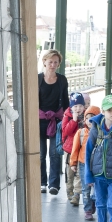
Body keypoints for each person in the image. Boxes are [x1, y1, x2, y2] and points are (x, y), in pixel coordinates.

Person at [38, 49, 69, 195]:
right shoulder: (37, 79)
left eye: (56, 62)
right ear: (44, 62)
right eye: (50, 61)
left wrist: (69, 118)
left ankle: (54, 184)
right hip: (39, 120)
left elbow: (66, 101)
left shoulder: (62, 80)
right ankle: (42, 182)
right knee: (40, 153)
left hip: (56, 120)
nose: (53, 64)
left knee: (55, 153)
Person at [73, 104, 101, 220]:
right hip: (83, 164)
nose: (90, 120)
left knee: (97, 186)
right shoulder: (81, 133)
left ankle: (94, 201)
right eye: (87, 117)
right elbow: (75, 149)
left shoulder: (101, 132)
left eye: (93, 117)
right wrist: (73, 163)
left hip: (97, 164)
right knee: (86, 188)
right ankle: (88, 210)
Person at [62, 93, 87, 205]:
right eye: (75, 106)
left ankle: (76, 195)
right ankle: (70, 192)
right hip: (69, 150)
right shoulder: (67, 116)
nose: (78, 109)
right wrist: (74, 120)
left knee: (78, 173)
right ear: (71, 107)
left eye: (81, 106)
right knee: (70, 173)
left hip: (81, 150)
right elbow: (66, 131)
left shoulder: (86, 116)